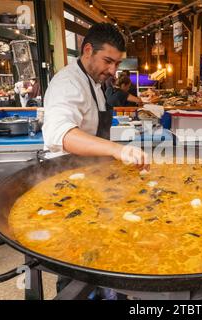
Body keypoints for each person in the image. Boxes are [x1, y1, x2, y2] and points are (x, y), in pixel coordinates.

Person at [43, 22, 148, 298]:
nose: (113, 70)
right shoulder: (67, 83)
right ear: (87, 50)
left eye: (117, 63)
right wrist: (115, 150)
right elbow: (60, 133)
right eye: (108, 61)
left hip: (92, 181)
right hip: (68, 186)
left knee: (104, 251)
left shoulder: (96, 82)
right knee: (75, 262)